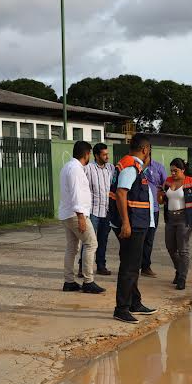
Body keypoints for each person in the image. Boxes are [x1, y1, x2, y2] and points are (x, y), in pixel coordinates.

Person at [110, 133, 158, 324]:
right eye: (150, 150)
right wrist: (126, 223)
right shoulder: (131, 166)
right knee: (129, 268)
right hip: (133, 224)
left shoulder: (133, 165)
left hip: (138, 223)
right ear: (145, 150)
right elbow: (122, 193)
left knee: (133, 265)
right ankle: (121, 308)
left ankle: (134, 303)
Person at [58, 141, 104, 295]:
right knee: (91, 243)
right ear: (86, 154)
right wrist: (81, 217)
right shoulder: (76, 169)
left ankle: (69, 281)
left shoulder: (68, 167)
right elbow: (77, 193)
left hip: (68, 213)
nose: (89, 156)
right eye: (89, 153)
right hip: (76, 214)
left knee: (72, 247)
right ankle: (88, 281)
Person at [162, 158, 192, 291]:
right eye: (171, 171)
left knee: (183, 249)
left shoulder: (191, 182)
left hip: (185, 218)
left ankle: (182, 278)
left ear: (183, 170)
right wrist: (159, 195)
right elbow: (162, 199)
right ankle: (179, 269)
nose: (173, 173)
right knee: (170, 247)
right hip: (170, 218)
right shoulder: (168, 181)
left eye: (176, 171)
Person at [81, 142, 114, 277]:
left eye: (107, 154)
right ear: (96, 155)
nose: (107, 156)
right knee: (88, 241)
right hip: (93, 211)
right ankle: (82, 268)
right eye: (104, 154)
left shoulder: (111, 168)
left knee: (103, 239)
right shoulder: (88, 169)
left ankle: (101, 266)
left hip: (106, 211)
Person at [141, 150, 167, 278]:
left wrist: (161, 196)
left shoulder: (159, 168)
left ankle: (145, 267)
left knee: (149, 239)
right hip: (139, 209)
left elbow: (165, 186)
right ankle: (135, 266)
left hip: (154, 209)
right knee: (138, 239)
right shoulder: (136, 167)